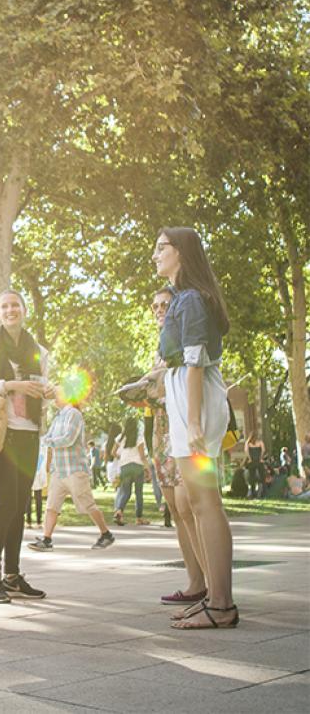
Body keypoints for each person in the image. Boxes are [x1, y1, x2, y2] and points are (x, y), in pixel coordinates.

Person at [153, 226, 236, 629]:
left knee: (205, 502)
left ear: (181, 252)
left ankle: (221, 605)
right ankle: (215, 600)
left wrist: (196, 421)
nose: (155, 255)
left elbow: (194, 362)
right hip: (187, 400)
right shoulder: (186, 300)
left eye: (161, 247)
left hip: (194, 403)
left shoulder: (188, 301)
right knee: (202, 503)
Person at [0, 289, 54, 605]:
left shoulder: (39, 351)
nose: (10, 310)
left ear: (24, 309)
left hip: (29, 434)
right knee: (5, 505)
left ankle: (12, 576)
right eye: (4, 305)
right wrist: (12, 385)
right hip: (0, 433)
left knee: (19, 507)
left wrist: (47, 392)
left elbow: (42, 389)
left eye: (15, 305)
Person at [146, 288, 208, 609]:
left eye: (164, 304)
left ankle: (214, 585)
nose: (158, 309)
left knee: (190, 505)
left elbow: (189, 378)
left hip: (184, 430)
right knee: (175, 508)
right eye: (154, 305)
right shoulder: (159, 347)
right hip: (161, 435)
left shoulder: (185, 338)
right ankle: (195, 583)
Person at [28, 379, 114, 551]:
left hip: (74, 469)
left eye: (58, 393)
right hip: (59, 471)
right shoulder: (58, 416)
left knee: (87, 505)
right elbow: (47, 438)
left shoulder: (74, 414)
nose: (55, 396)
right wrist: (47, 441)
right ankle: (46, 539)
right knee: (52, 506)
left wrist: (48, 441)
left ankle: (106, 534)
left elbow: (68, 439)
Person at [112, 417, 149, 526]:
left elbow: (113, 452)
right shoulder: (139, 437)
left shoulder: (120, 437)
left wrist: (122, 457)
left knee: (125, 492)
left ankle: (119, 511)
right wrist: (147, 469)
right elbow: (142, 456)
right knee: (138, 493)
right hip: (137, 467)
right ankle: (139, 518)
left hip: (125, 466)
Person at [245, 434, 265, 498]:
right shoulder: (260, 442)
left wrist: (250, 458)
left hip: (252, 461)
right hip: (259, 461)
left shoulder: (248, 443)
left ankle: (252, 493)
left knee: (252, 477)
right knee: (261, 477)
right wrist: (261, 457)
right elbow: (263, 450)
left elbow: (246, 451)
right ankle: (261, 493)